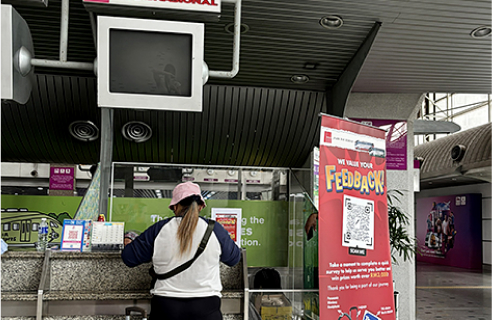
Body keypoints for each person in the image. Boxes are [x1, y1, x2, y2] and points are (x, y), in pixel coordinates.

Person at [121, 181, 241, 320]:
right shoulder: (215, 230)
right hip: (206, 309)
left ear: (175, 206)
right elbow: (234, 259)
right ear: (201, 206)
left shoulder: (159, 229)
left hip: (166, 308)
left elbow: (129, 258)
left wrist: (132, 242)